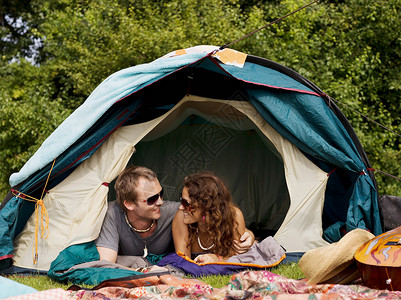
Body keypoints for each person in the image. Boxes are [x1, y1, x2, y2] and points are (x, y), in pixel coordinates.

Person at [95, 166, 253, 268]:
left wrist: (251, 236)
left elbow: (232, 234)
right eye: (152, 199)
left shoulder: (171, 211)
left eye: (160, 194)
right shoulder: (112, 214)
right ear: (129, 204)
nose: (161, 202)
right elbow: (105, 264)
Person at [172, 171, 251, 264]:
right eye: (181, 200)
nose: (181, 207)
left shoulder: (234, 216)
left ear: (206, 206)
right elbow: (184, 263)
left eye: (186, 203)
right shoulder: (181, 217)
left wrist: (217, 258)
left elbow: (237, 258)